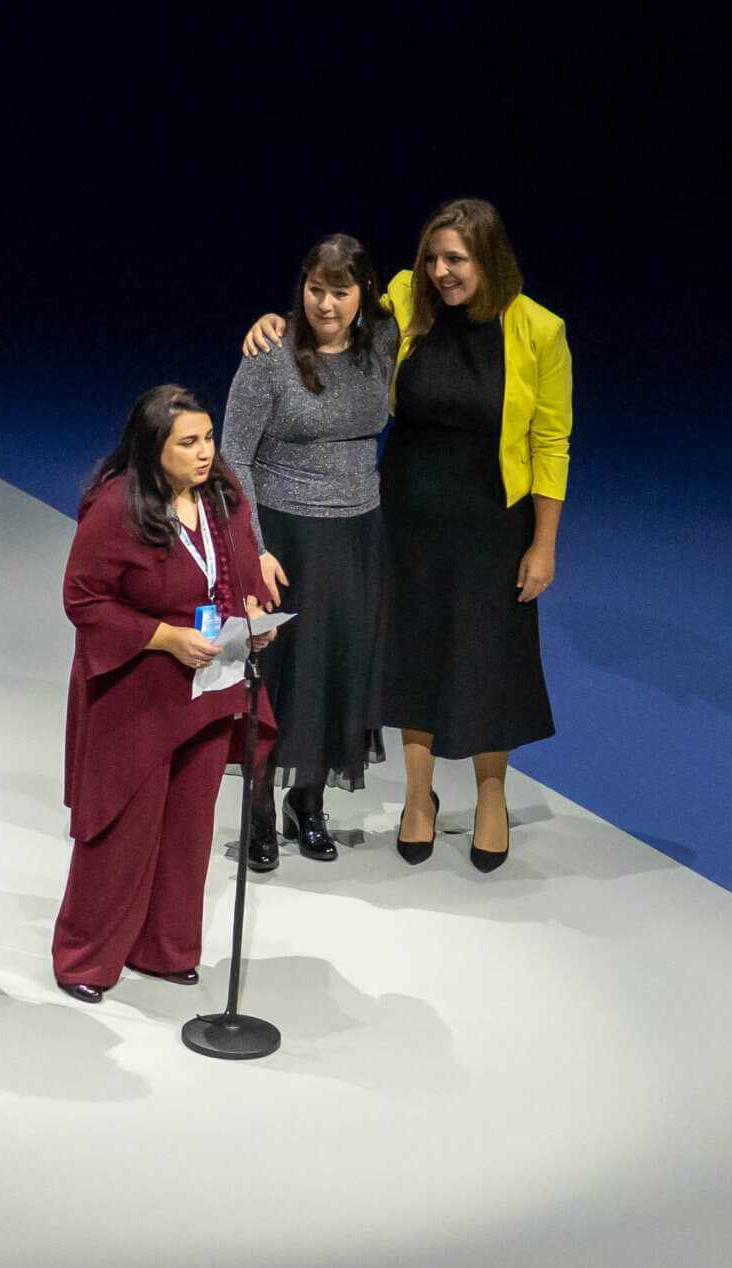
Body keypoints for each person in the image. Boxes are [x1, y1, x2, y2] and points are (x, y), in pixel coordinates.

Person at [244, 198, 570, 869]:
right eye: (433, 258)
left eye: (457, 259)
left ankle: (490, 797)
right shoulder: (407, 299)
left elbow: (551, 441)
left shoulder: (540, 329)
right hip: (406, 512)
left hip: (492, 519)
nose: (442, 271)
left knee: (491, 657)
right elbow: (335, 305)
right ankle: (419, 798)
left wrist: (544, 543)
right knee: (415, 654)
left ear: (490, 259)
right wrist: (274, 319)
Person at [53, 385, 278, 1001]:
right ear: (154, 448)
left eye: (208, 438)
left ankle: (165, 949)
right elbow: (83, 600)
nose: (205, 452)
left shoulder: (223, 495)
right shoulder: (115, 508)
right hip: (137, 691)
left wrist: (252, 617)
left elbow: (238, 576)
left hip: (209, 685)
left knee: (189, 828)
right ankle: (84, 959)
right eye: (189, 443)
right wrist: (164, 637)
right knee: (122, 828)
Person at [220, 233, 396, 868]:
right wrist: (254, 548)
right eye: (315, 289)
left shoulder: (384, 339)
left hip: (358, 536)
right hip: (285, 537)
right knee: (280, 677)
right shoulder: (270, 353)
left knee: (337, 668)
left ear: (363, 293)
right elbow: (233, 455)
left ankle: (309, 802)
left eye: (340, 292)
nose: (325, 304)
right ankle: (261, 810)